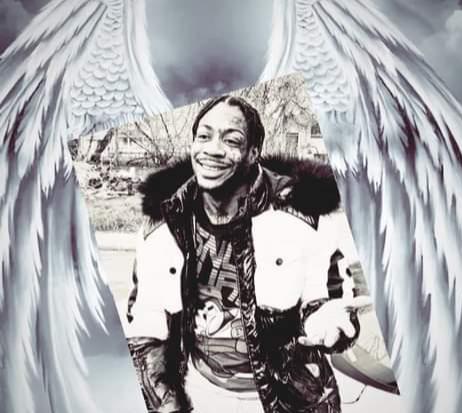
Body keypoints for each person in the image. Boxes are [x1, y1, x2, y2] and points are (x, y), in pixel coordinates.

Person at [125, 95, 367, 413]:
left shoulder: (304, 212)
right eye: (204, 136)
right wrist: (166, 401)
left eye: (231, 140)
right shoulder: (164, 222)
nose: (213, 149)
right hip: (201, 394)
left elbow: (332, 299)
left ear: (253, 153)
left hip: (292, 399)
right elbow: (146, 321)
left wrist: (329, 321)